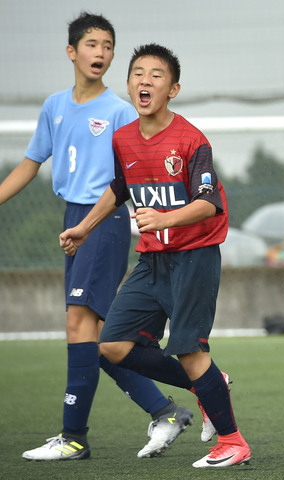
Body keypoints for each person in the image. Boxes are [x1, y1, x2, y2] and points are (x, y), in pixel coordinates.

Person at [0, 12, 193, 461]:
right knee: (104, 342)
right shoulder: (54, 106)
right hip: (73, 218)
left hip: (103, 224)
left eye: (108, 46)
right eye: (92, 45)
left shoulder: (122, 111)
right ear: (72, 51)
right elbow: (30, 164)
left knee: (79, 327)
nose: (100, 53)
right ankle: (166, 410)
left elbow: (133, 175)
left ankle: (73, 437)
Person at [59, 43, 251, 468]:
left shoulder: (190, 140)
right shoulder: (123, 138)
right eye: (137, 74)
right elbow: (119, 189)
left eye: (156, 75)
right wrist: (83, 228)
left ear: (174, 89)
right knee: (110, 345)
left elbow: (210, 204)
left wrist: (166, 218)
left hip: (194, 256)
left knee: (188, 349)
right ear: (128, 85)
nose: (145, 81)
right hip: (152, 261)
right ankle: (211, 384)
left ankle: (233, 443)